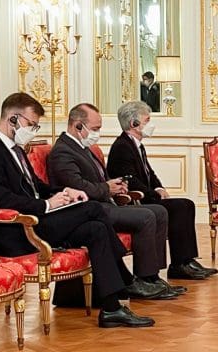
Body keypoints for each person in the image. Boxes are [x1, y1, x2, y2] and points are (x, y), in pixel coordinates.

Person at [0, 92, 159, 328]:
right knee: (92, 208)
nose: (33, 130)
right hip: (17, 230)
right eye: (31, 125)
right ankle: (126, 279)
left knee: (96, 229)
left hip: (38, 220)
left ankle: (112, 308)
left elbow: (35, 186)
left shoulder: (16, 149)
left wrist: (65, 192)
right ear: (13, 119)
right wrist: (47, 204)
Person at [48, 103, 183, 300]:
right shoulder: (63, 151)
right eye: (95, 129)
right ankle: (142, 279)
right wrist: (107, 188)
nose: (97, 133)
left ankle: (152, 277)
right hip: (89, 209)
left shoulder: (83, 147)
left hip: (104, 203)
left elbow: (97, 179)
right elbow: (76, 186)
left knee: (159, 211)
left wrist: (115, 186)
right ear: (78, 126)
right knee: (146, 216)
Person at [108, 101, 217, 280]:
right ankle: (179, 265)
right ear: (134, 123)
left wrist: (159, 187)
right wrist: (154, 195)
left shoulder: (136, 145)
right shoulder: (122, 147)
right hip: (135, 201)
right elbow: (132, 182)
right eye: (147, 120)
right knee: (180, 207)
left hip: (146, 196)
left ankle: (186, 261)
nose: (150, 124)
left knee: (186, 205)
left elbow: (149, 173)